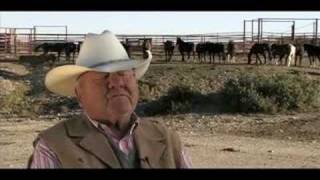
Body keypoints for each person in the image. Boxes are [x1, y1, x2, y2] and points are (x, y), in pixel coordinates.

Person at [28, 30, 192, 168]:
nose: (116, 83)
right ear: (79, 93)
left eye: (123, 73)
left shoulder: (167, 139)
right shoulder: (53, 146)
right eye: (102, 77)